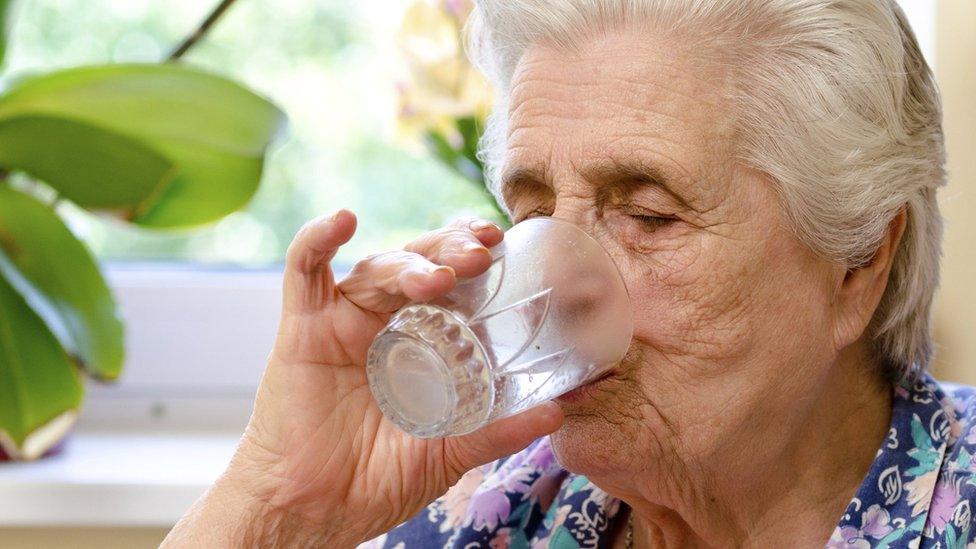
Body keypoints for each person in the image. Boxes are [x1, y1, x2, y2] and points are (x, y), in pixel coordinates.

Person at [162, 1, 973, 546]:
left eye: (650, 216)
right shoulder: (494, 510)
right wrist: (275, 503)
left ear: (860, 260)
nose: (561, 283)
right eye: (535, 214)